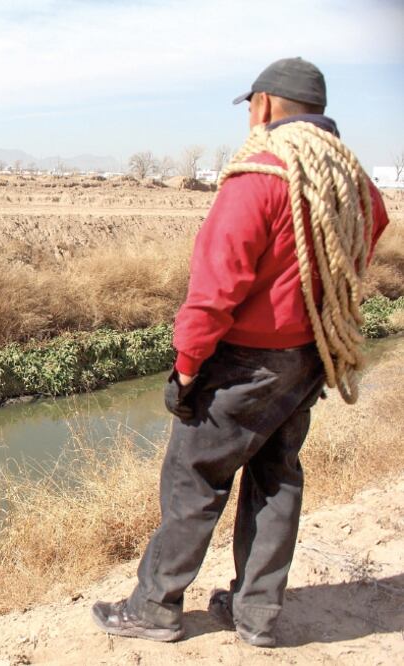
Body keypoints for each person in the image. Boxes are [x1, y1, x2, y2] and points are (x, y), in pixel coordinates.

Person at [92, 57, 390, 647]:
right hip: (307, 358)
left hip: (243, 363)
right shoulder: (347, 178)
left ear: (264, 106)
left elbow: (214, 290)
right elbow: (371, 226)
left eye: (251, 108)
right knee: (276, 478)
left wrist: (186, 366)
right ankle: (256, 615)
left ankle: (154, 606)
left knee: (194, 479)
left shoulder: (259, 176)